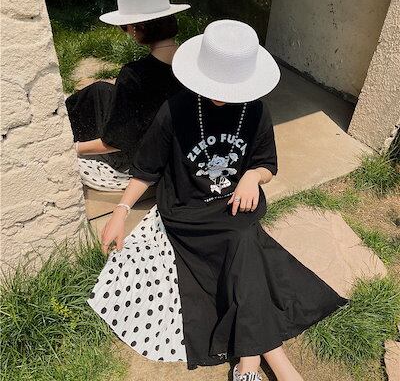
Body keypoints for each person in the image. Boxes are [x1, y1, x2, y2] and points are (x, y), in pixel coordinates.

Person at [87, 20, 348, 380]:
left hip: (235, 205)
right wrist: (120, 211)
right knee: (244, 247)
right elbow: (147, 169)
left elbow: (267, 164)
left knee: (241, 240)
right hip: (187, 211)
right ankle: (270, 362)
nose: (220, 93)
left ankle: (252, 361)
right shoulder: (176, 109)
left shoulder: (255, 112)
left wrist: (252, 177)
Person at [66, 0, 190, 191]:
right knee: (99, 90)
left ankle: (60, 132)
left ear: (137, 28)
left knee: (89, 100)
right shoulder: (192, 61)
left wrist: (73, 149)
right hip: (178, 144)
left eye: (126, 26)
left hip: (142, 157)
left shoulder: (135, 75)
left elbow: (116, 142)